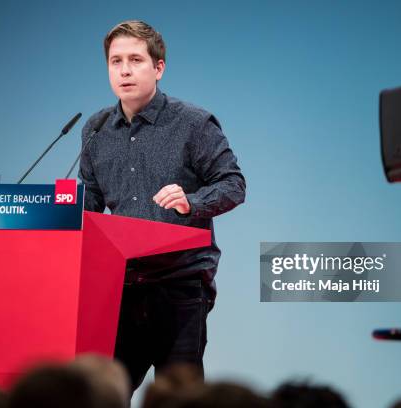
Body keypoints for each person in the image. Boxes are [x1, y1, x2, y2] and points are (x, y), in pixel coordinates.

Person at [79, 20, 246, 393]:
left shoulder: (193, 124)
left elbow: (234, 185)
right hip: (119, 289)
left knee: (180, 400)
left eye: (135, 60)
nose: (124, 70)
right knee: (104, 396)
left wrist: (192, 201)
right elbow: (89, 203)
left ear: (158, 67)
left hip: (180, 288)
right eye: (115, 61)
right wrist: (58, 214)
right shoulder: (95, 130)